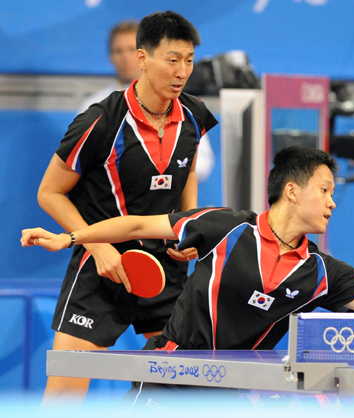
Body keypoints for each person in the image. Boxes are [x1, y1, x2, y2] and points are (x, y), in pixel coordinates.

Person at [26, 146, 354, 402]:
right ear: (291, 191)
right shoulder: (223, 228)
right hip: (168, 380)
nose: (332, 201)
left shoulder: (321, 273)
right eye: (324, 189)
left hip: (233, 390)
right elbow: (137, 223)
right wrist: (72, 238)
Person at [36, 10, 218, 403]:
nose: (182, 71)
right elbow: (49, 192)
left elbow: (186, 174)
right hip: (102, 267)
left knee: (179, 385)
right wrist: (96, 246)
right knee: (65, 391)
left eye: (188, 60)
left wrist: (186, 230)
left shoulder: (194, 116)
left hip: (165, 268)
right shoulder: (101, 121)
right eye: (172, 59)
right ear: (142, 58)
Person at [77, 19, 215, 181]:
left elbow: (203, 164)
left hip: (168, 199)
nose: (125, 58)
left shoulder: (182, 104)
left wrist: (161, 170)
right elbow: (79, 162)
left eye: (131, 50)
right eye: (118, 51)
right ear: (111, 57)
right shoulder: (93, 106)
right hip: (111, 200)